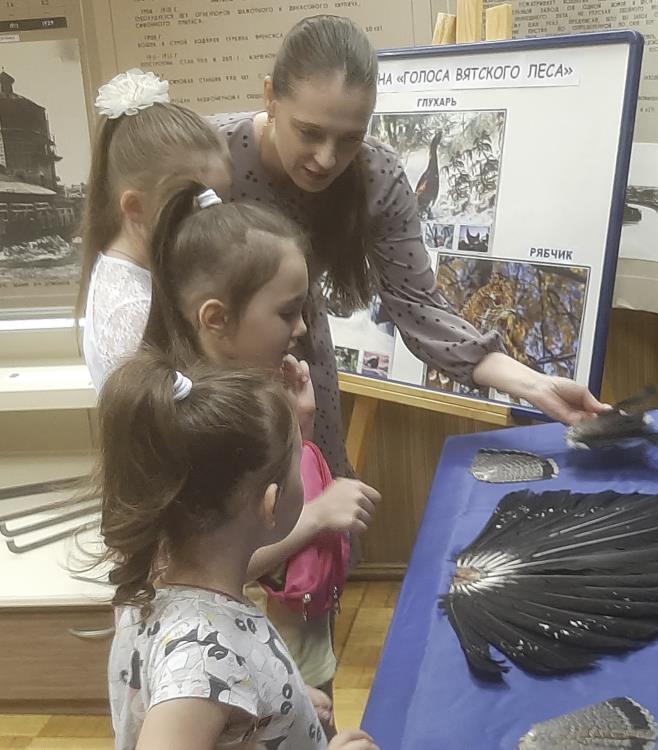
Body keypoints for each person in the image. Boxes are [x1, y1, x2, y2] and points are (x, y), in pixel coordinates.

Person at [209, 14, 609, 479]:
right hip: (206, 375)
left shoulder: (375, 174)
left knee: (319, 494)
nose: (327, 159)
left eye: (350, 139)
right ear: (270, 98)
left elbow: (419, 307)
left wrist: (536, 386)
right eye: (310, 132)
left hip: (302, 365)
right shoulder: (205, 157)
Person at [140, 178, 381, 710]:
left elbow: (267, 500)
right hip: (233, 676)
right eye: (287, 312)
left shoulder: (251, 395)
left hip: (273, 659)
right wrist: (317, 516)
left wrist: (299, 426)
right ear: (216, 318)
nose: (302, 329)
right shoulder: (199, 427)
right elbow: (208, 571)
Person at [94, 351, 378, 750]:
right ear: (271, 504)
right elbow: (201, 679)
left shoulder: (154, 588)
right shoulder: (201, 661)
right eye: (300, 462)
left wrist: (281, 703)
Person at [77, 68, 232, 391]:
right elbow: (174, 414)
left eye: (222, 200)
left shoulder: (143, 275)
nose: (216, 220)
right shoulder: (132, 309)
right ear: (135, 207)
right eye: (196, 204)